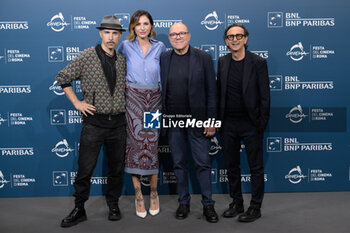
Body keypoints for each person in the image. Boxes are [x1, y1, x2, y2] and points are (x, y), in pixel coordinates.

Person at [56, 15, 127, 227]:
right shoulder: (87, 56)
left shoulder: (122, 59)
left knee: (116, 168)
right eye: (107, 32)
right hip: (93, 124)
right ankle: (79, 208)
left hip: (118, 125)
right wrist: (77, 102)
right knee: (85, 169)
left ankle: (113, 204)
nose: (111, 37)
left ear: (120, 35)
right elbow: (63, 77)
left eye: (115, 33)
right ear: (100, 33)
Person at [160, 22, 219, 223]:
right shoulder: (164, 57)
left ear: (189, 35)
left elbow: (212, 91)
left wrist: (212, 121)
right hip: (174, 122)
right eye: (173, 34)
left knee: (203, 164)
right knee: (178, 164)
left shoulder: (203, 57)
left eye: (182, 33)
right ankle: (183, 202)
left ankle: (208, 205)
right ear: (169, 38)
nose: (178, 37)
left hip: (199, 121)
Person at [217, 24, 270, 222]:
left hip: (250, 124)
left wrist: (260, 124)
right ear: (226, 41)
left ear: (246, 39)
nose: (235, 39)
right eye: (231, 36)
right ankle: (237, 203)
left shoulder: (258, 62)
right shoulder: (222, 62)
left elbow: (265, 96)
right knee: (232, 166)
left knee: (256, 168)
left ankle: (255, 207)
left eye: (239, 35)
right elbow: (219, 93)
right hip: (228, 124)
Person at [117, 10, 166, 218]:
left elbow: (169, 70)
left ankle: (153, 193)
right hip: (134, 101)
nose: (143, 27)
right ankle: (138, 195)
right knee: (135, 145)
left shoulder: (160, 47)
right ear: (133, 27)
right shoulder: (125, 47)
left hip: (154, 101)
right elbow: (116, 69)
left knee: (151, 144)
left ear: (151, 26)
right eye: (138, 24)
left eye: (146, 23)